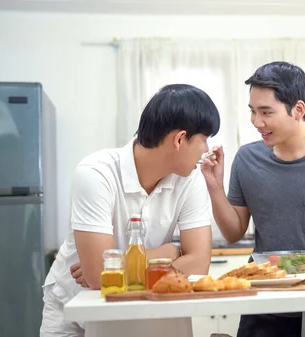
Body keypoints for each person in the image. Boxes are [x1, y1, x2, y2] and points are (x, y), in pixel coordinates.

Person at [200, 61, 305, 337]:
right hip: (264, 306)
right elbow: (233, 232)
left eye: (266, 112)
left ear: (298, 110)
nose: (257, 122)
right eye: (253, 112)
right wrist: (214, 187)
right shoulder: (247, 159)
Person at [40, 84, 220, 337]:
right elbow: (95, 276)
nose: (206, 149)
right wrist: (168, 253)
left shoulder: (190, 180)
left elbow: (199, 265)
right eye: (204, 139)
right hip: (75, 307)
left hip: (145, 304)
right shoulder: (96, 173)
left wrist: (121, 263)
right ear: (180, 139)